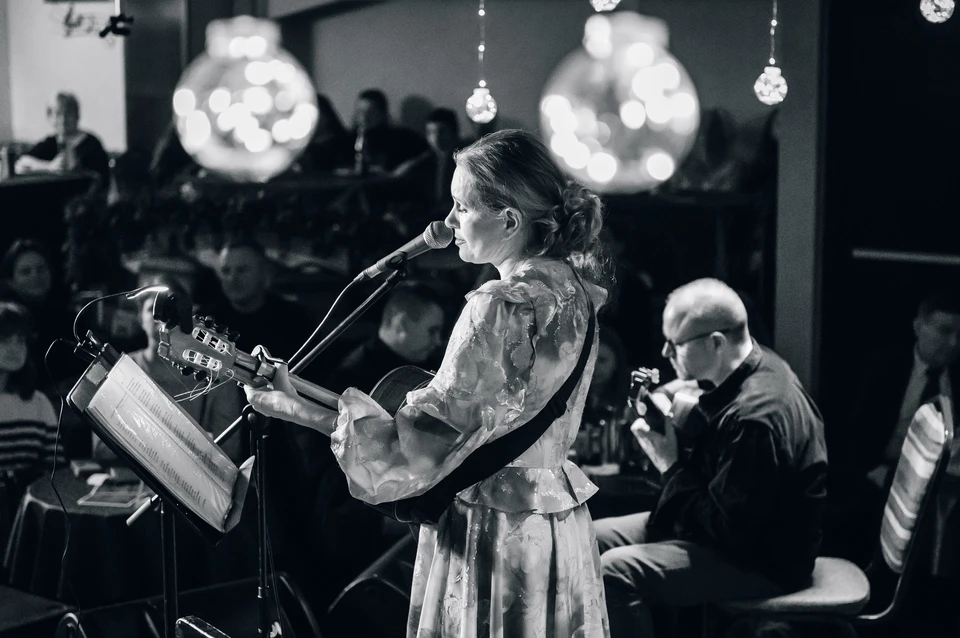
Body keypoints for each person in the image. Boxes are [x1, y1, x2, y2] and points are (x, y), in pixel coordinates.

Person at [246, 129, 612, 637]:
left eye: (462, 206)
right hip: (555, 521)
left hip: (496, 525)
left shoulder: (498, 304)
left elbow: (416, 447)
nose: (448, 222)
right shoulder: (576, 294)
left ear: (509, 220)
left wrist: (293, 408)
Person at [595, 278, 828, 638]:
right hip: (728, 532)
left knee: (614, 571)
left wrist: (669, 465)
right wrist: (676, 395)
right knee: (584, 538)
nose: (665, 353)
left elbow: (729, 531)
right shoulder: (756, 362)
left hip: (762, 560)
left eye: (675, 344)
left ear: (716, 343)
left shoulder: (755, 420)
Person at [0, 302, 65, 548]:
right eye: (4, 339)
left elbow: (56, 471)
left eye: (20, 340)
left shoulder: (38, 402)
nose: (15, 348)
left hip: (28, 523)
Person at [324, 281, 446, 395]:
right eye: (432, 331)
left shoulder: (430, 363)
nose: (438, 341)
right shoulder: (352, 378)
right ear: (402, 323)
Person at [14, 92, 109, 187]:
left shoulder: (92, 144)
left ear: (77, 116)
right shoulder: (51, 142)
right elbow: (21, 164)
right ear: (50, 118)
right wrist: (49, 167)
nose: (63, 119)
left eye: (68, 113)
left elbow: (100, 179)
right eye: (58, 114)